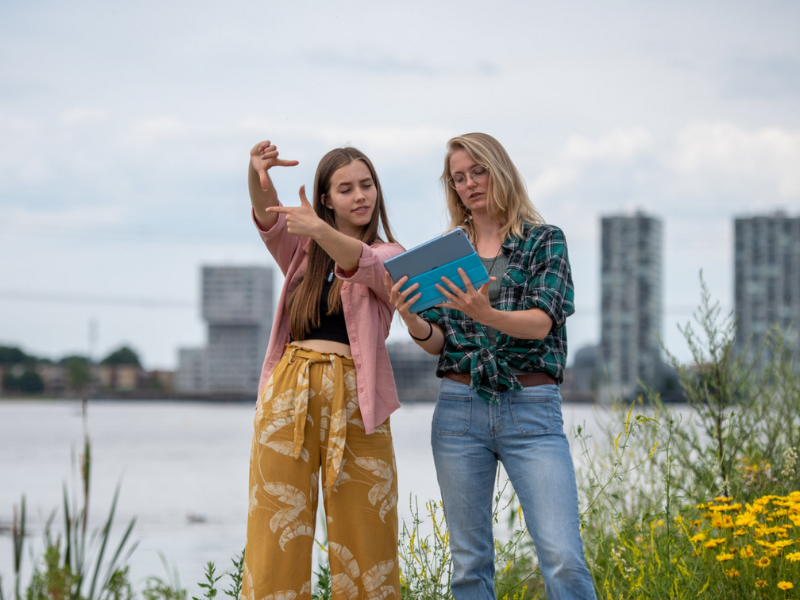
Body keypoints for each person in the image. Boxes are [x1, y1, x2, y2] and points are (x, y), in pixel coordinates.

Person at [385, 133, 597, 600]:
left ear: (499, 170)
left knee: (563, 558)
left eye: (477, 171)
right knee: (469, 564)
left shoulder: (545, 241)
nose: (469, 184)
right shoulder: (447, 250)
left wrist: (488, 315)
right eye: (458, 178)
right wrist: (410, 318)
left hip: (532, 411)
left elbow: (542, 321)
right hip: (459, 412)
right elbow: (438, 342)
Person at [244, 140, 404, 600]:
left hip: (359, 402)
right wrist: (258, 175)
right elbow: (268, 217)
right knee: (275, 532)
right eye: (346, 188)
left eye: (367, 185)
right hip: (288, 392)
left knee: (367, 535)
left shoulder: (391, 253)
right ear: (326, 199)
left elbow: (362, 262)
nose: (360, 196)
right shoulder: (302, 252)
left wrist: (318, 229)